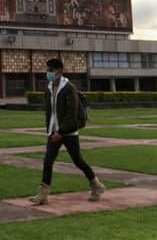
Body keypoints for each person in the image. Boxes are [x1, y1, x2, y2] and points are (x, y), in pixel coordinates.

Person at [29, 58, 105, 205]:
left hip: (68, 132)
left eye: (51, 70)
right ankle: (43, 194)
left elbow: (72, 112)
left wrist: (61, 131)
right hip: (54, 131)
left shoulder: (69, 88)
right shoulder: (49, 88)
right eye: (47, 70)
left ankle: (96, 185)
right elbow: (50, 111)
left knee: (78, 161)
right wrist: (52, 129)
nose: (48, 73)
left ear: (59, 71)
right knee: (48, 161)